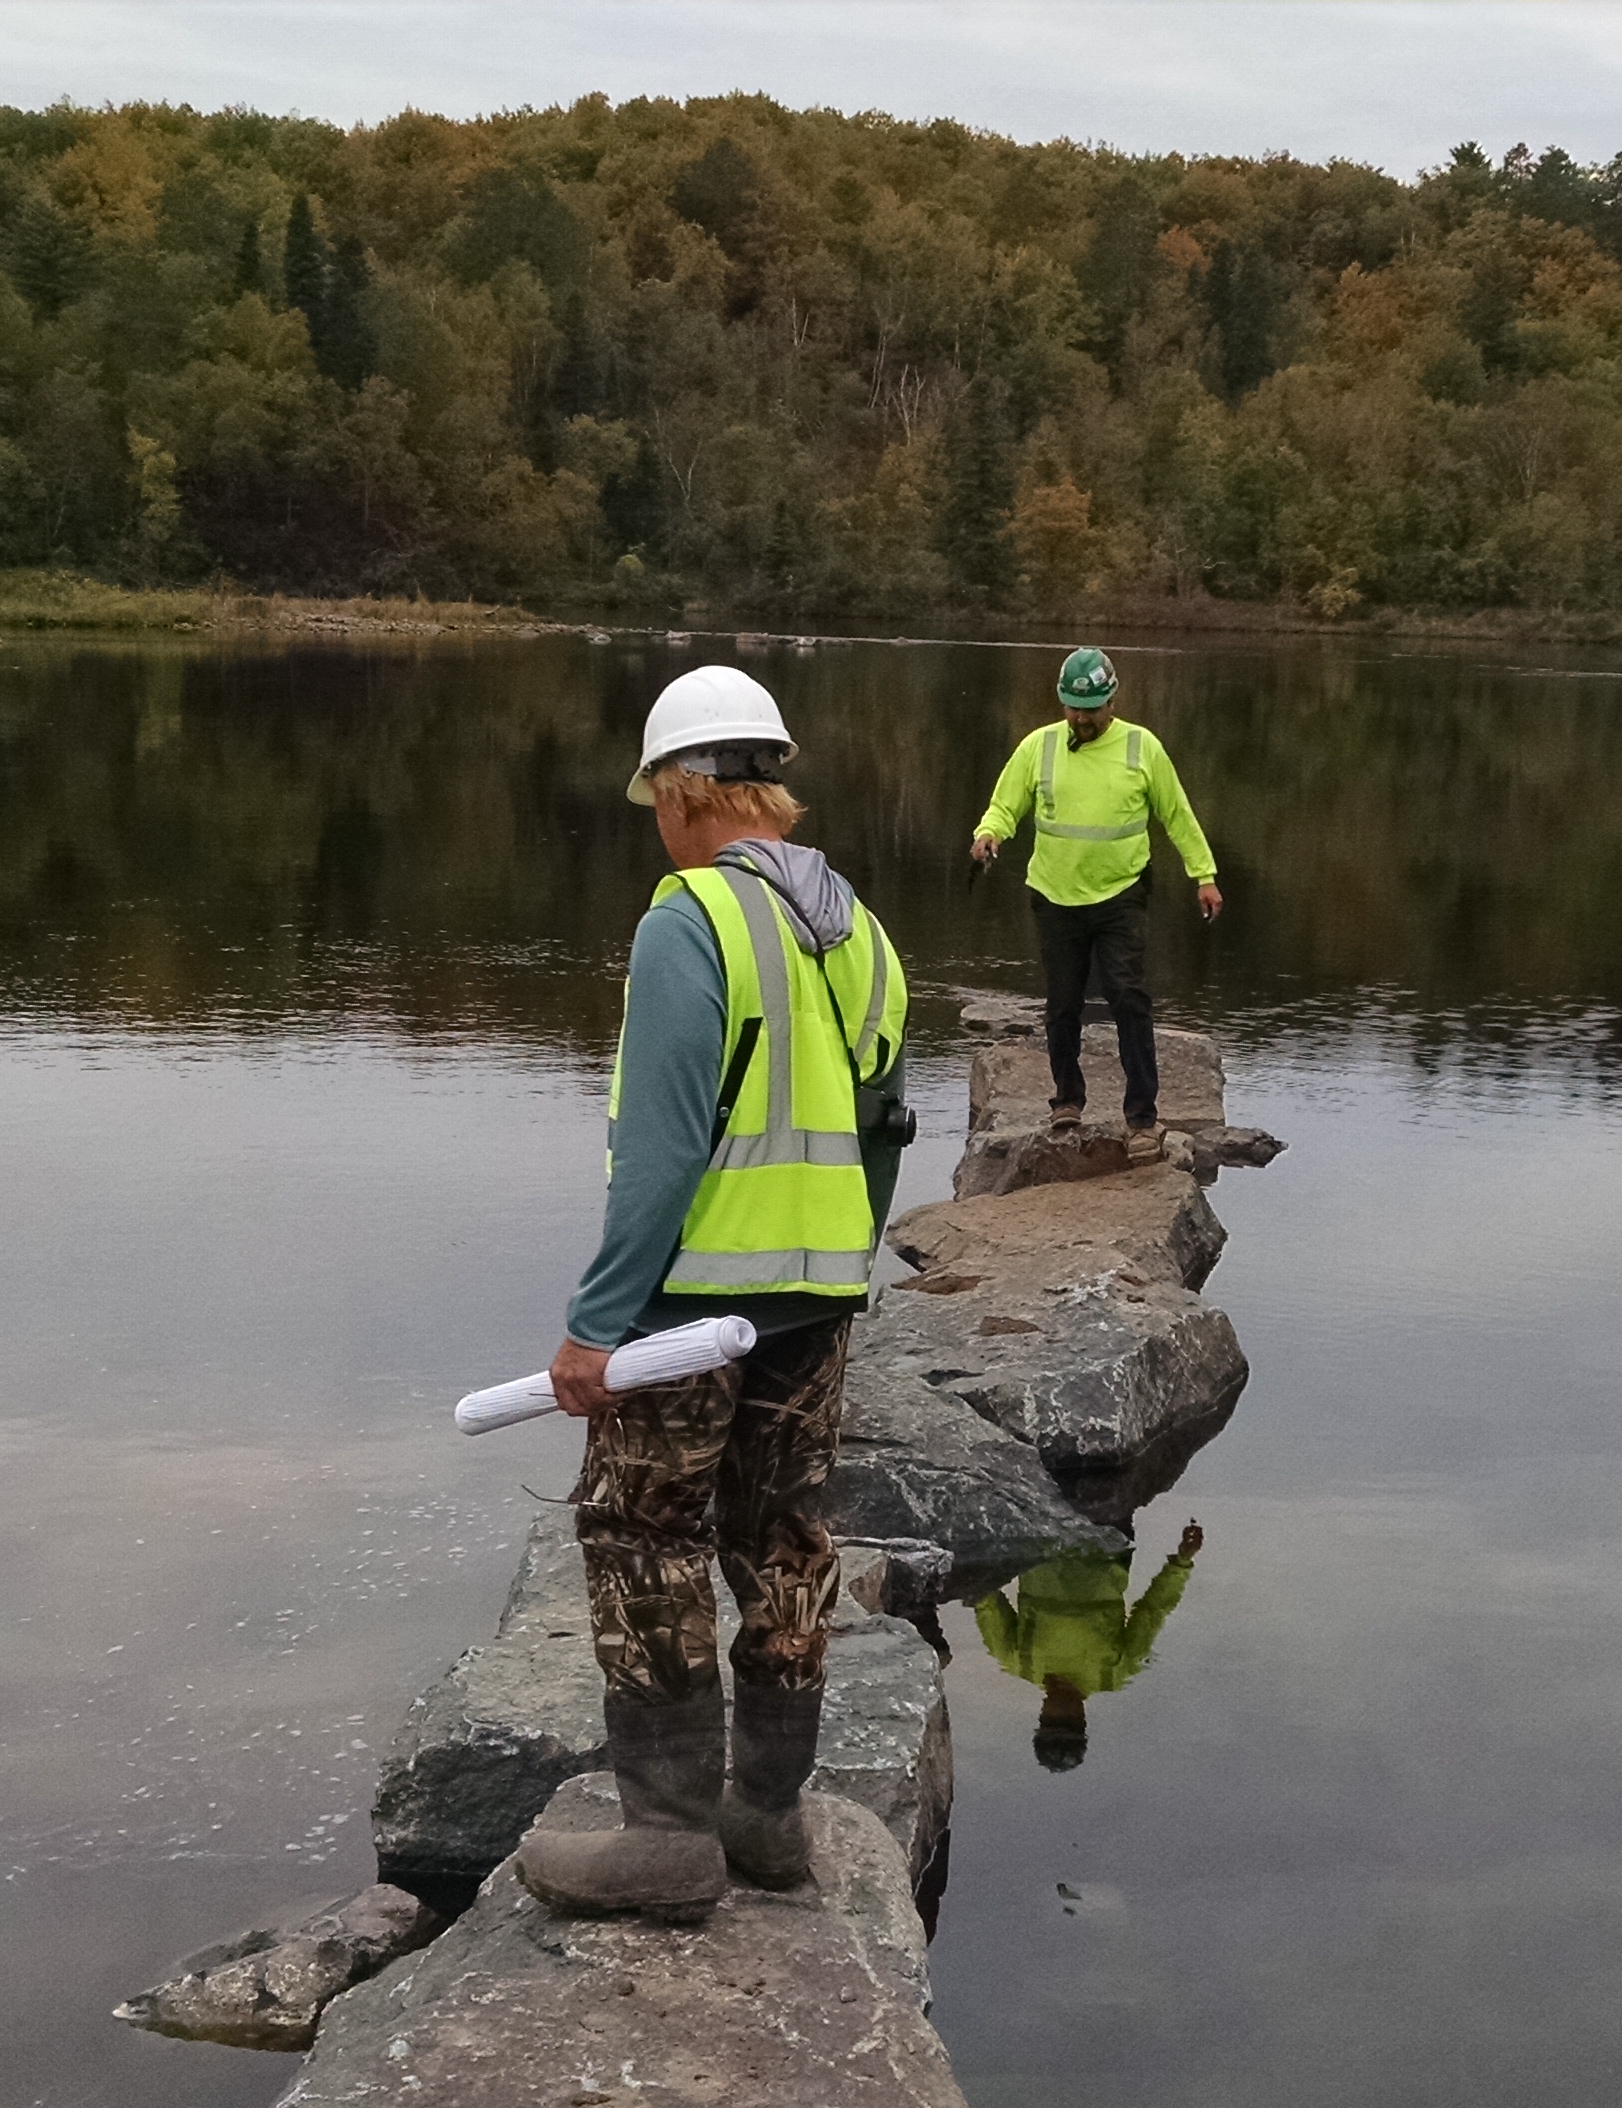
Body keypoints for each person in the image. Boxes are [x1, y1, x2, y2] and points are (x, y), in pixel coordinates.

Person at [513, 665, 909, 1925]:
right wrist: (843, 1258)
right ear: (768, 787)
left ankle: (668, 1835)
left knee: (640, 1535)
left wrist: (597, 1322)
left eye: (654, 800)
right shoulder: (856, 926)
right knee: (785, 1538)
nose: (655, 825)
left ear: (688, 793)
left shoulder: (689, 920)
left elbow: (663, 1147)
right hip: (814, 1295)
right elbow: (887, 1120)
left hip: (690, 1302)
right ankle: (770, 1815)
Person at [968, 647, 1221, 1153]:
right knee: (1062, 1003)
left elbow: (1177, 815)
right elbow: (1005, 805)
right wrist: (989, 833)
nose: (1081, 719)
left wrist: (1204, 875)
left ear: (1112, 701)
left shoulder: (1141, 748)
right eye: (1073, 708)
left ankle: (1143, 1118)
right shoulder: (1038, 748)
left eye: (1092, 708)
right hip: (1055, 895)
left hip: (1121, 894)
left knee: (1128, 997)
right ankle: (1066, 1101)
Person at [973, 1520, 1202, 1773]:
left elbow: (984, 1597)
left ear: (1041, 1716)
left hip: (1041, 1536)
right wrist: (1180, 1564)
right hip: (1106, 1539)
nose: (1059, 1712)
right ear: (1082, 1719)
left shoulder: (1015, 1660)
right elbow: (1151, 1611)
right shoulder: (1116, 1672)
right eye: (1069, 1721)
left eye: (1051, 1720)